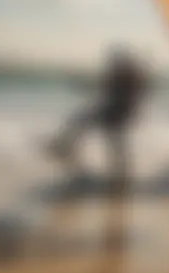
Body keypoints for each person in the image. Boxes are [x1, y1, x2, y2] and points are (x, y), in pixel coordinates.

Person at [48, 46, 150, 192]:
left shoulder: (124, 76)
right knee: (109, 140)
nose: (113, 66)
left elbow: (112, 91)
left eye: (115, 63)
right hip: (115, 112)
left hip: (116, 113)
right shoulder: (126, 76)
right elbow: (106, 90)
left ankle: (65, 148)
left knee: (110, 141)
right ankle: (65, 147)